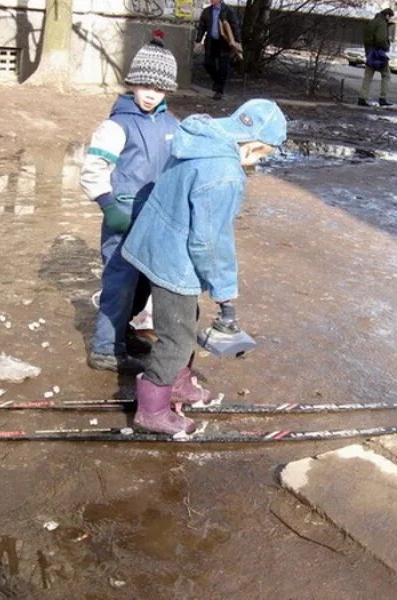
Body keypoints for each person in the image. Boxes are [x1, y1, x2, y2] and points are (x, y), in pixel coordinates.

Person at [121, 99, 287, 434]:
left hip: (153, 242)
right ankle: (151, 409)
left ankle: (178, 382)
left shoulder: (199, 138)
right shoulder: (224, 174)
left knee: (184, 319)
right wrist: (225, 292)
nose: (256, 163)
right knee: (177, 339)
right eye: (261, 155)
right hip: (174, 260)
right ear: (253, 144)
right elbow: (209, 242)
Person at [79, 34, 179, 374]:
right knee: (120, 282)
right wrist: (109, 206)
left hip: (156, 222)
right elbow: (93, 169)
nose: (151, 93)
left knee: (145, 284)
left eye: (159, 88)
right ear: (133, 83)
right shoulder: (117, 125)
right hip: (123, 218)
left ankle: (123, 333)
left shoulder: (171, 125)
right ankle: (106, 349)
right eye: (145, 85)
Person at [195, 0, 241, 100]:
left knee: (223, 68)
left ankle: (219, 91)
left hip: (224, 43)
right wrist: (198, 40)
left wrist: (237, 41)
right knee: (208, 63)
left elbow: (234, 26)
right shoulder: (206, 11)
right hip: (211, 42)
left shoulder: (228, 10)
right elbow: (201, 27)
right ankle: (217, 82)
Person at [357, 7, 395, 107]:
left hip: (370, 53)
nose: (390, 19)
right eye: (390, 17)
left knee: (368, 76)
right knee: (386, 75)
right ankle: (383, 98)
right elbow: (380, 40)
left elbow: (366, 38)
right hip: (379, 54)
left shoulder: (372, 22)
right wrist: (387, 47)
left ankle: (362, 97)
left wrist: (368, 51)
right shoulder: (382, 24)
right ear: (387, 15)